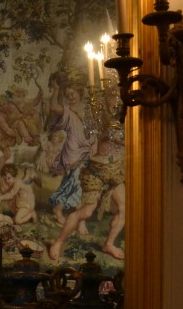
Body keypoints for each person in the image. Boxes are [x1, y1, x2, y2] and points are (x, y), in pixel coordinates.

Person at [48, 126, 126, 261]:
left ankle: (108, 244)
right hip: (96, 171)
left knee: (123, 208)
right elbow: (106, 134)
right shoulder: (107, 120)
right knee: (86, 212)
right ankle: (58, 242)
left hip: (114, 173)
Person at [46, 78, 90, 229]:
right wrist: (56, 91)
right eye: (68, 95)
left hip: (84, 149)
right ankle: (78, 218)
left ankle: (61, 210)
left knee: (72, 182)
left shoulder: (87, 109)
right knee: (77, 182)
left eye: (73, 94)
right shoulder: (67, 111)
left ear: (79, 93)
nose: (70, 97)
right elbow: (53, 107)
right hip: (72, 150)